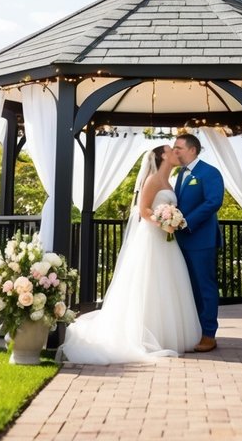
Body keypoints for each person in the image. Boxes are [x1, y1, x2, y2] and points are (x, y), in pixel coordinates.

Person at [61, 144, 201, 363]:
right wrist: (163, 222)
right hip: (152, 238)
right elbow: (144, 210)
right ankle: (145, 335)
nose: (176, 152)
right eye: (171, 150)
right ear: (162, 155)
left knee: (169, 284)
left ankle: (167, 335)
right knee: (149, 284)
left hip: (167, 241)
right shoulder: (153, 180)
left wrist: (172, 220)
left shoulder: (170, 183)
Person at [172, 132, 223, 352]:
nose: (175, 152)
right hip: (179, 241)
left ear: (192, 149)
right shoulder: (179, 174)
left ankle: (209, 335)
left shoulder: (209, 173)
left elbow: (213, 202)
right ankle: (193, 331)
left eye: (179, 148)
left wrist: (186, 221)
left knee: (205, 288)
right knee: (188, 288)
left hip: (201, 240)